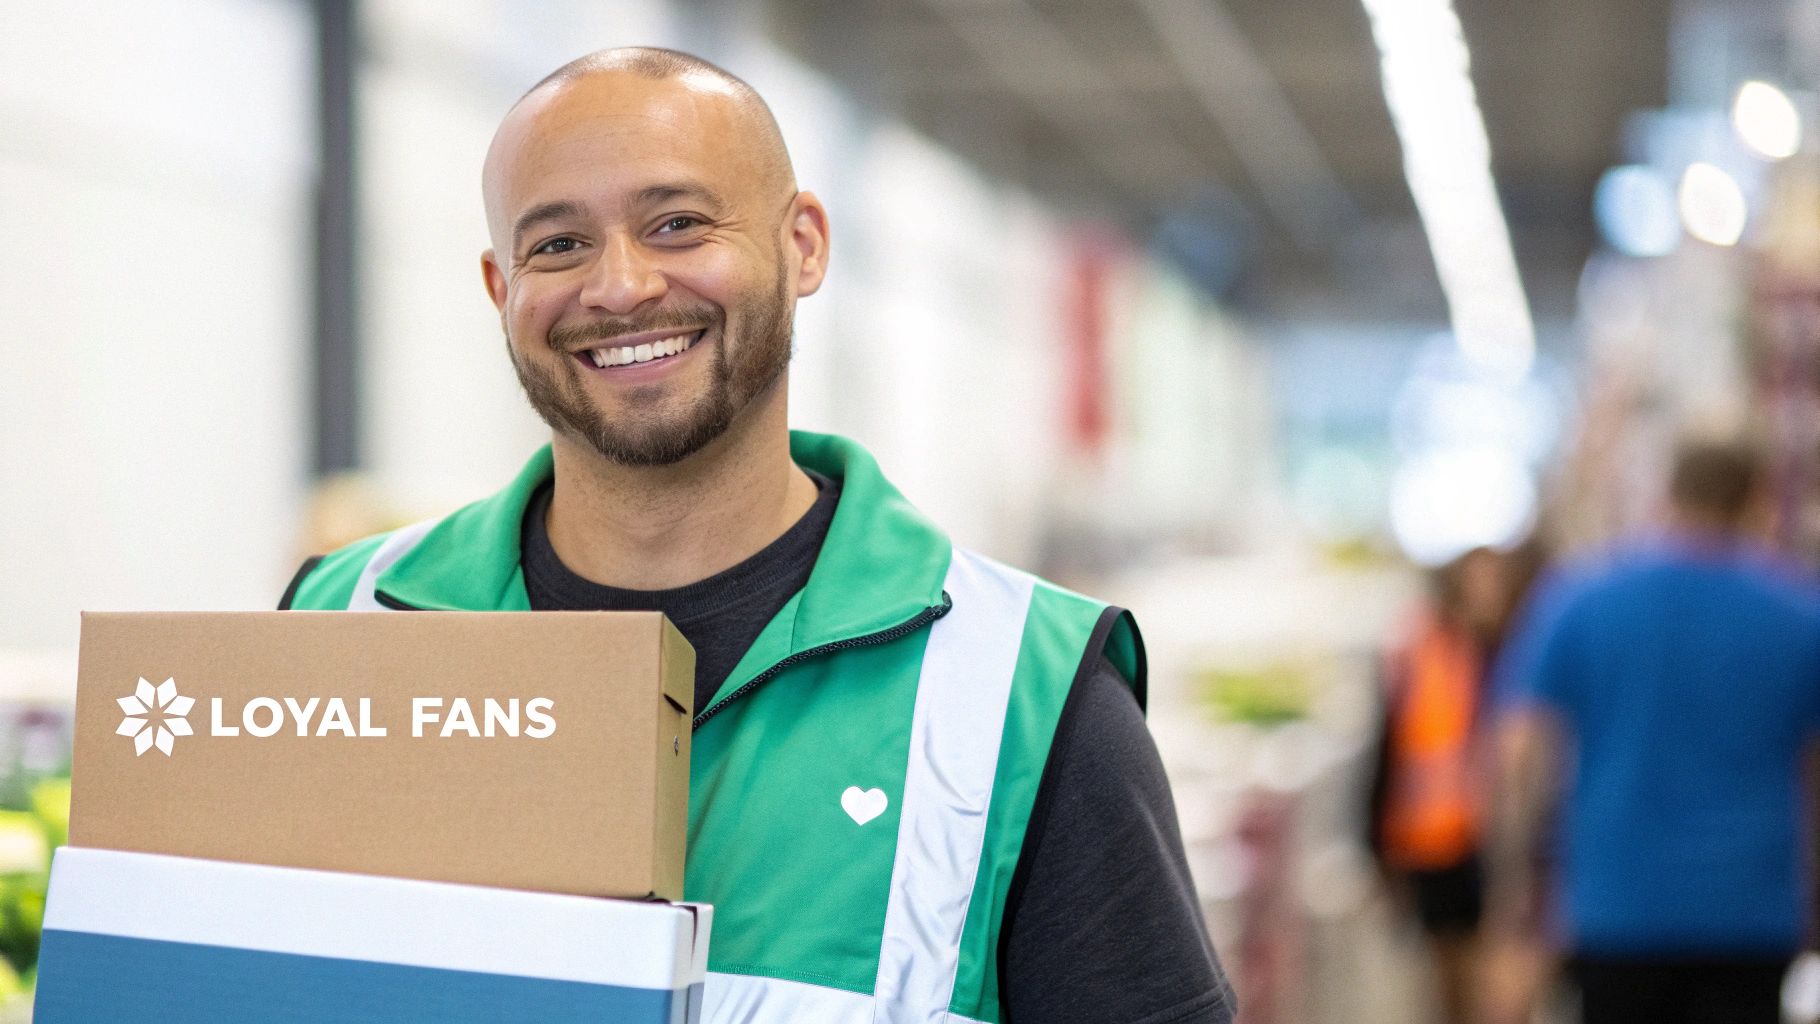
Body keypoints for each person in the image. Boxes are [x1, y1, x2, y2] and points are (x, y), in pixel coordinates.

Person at [280, 47, 1234, 1023]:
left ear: (804, 243)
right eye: (557, 244)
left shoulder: (1022, 698)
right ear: (499, 289)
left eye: (677, 224)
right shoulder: (339, 627)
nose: (619, 286)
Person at [1489, 439, 1820, 1024]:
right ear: (1756, 501)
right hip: (1750, 908)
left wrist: (1515, 900)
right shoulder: (1798, 613)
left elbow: (1519, 752)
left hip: (1615, 906)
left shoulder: (1583, 599)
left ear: (1666, 495)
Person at [1368, 546, 1523, 1024]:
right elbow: (1391, 747)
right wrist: (1377, 842)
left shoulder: (1517, 650)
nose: (1486, 591)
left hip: (1498, 838)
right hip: (1433, 838)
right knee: (1447, 970)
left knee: (1500, 973)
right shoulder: (1422, 648)